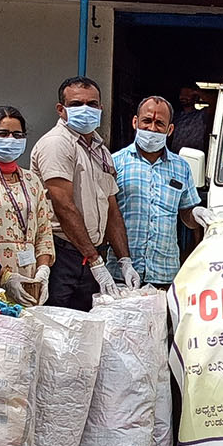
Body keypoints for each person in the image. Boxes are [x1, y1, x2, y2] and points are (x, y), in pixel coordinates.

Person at [35, 77, 135, 310]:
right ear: (61, 110)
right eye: (77, 104)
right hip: (63, 255)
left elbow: (111, 207)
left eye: (92, 104)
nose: (86, 110)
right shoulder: (57, 144)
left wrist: (124, 260)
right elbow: (63, 206)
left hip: (90, 257)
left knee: (85, 328)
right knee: (58, 325)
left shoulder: (101, 150)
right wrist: (95, 261)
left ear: (100, 108)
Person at [114, 96, 208, 289]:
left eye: (159, 123)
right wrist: (122, 263)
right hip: (120, 274)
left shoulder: (182, 168)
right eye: (146, 121)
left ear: (170, 129)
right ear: (135, 122)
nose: (152, 128)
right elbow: (106, 215)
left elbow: (186, 214)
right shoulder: (115, 163)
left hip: (164, 275)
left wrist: (197, 214)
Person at [0, 105, 55, 304]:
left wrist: (43, 271)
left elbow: (44, 232)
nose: (11, 140)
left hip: (28, 281)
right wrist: (1, 276)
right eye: (3, 134)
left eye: (17, 135)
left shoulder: (32, 180)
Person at [170, 85, 212, 154]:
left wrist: (198, 92)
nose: (184, 97)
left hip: (194, 158)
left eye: (187, 94)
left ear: (195, 97)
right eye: (182, 94)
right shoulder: (175, 116)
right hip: (176, 156)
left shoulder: (201, 115)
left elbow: (215, 103)